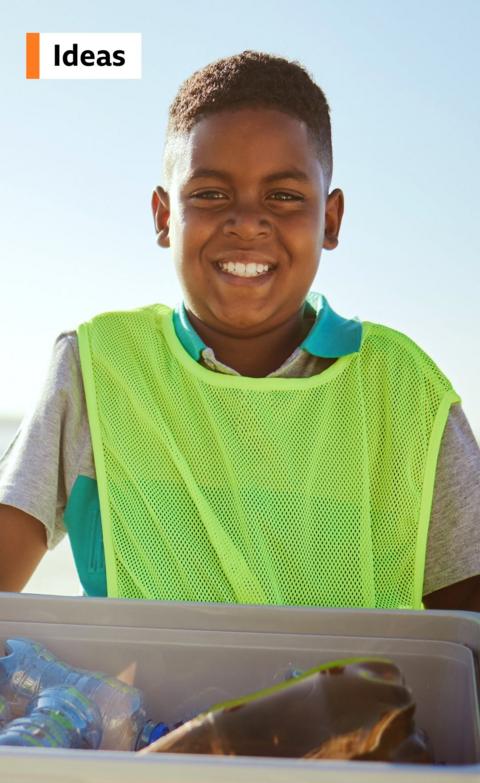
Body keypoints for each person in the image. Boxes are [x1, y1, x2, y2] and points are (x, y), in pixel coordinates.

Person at [0, 51, 479, 609]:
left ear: (330, 219)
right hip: (137, 701)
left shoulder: (403, 390)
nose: (248, 220)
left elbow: (467, 635)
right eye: (210, 194)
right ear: (163, 217)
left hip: (367, 701)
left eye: (283, 196)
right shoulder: (98, 366)